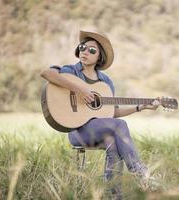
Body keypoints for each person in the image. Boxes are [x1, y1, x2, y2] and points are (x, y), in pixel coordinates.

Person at [41, 30, 160, 199]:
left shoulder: (105, 82)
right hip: (76, 131)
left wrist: (141, 107)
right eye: (82, 47)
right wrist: (79, 88)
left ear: (99, 57)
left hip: (98, 130)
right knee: (120, 126)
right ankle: (141, 173)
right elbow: (46, 73)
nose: (85, 51)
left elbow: (112, 113)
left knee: (112, 142)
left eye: (91, 50)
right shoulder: (71, 71)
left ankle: (114, 195)